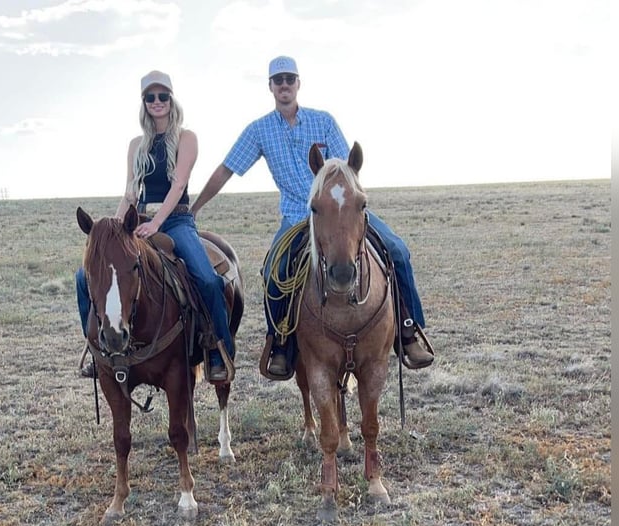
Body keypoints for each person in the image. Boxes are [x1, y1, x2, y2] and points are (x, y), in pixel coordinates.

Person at [191, 56, 434, 378]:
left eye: (290, 79)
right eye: (278, 80)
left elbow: (348, 169)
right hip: (297, 216)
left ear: (298, 84)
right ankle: (280, 342)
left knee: (398, 251)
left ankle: (408, 329)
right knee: (274, 270)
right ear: (270, 87)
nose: (284, 85)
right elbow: (227, 169)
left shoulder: (323, 122)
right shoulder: (259, 130)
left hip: (341, 212)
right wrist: (194, 208)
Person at [75, 70, 235, 382]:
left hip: (175, 219)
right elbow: (130, 192)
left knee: (207, 278)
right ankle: (97, 350)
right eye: (151, 97)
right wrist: (114, 229)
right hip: (138, 222)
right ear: (144, 103)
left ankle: (218, 349)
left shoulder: (186, 138)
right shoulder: (136, 144)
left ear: (171, 100)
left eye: (163, 96)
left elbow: (179, 185)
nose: (157, 102)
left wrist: (157, 222)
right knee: (84, 276)